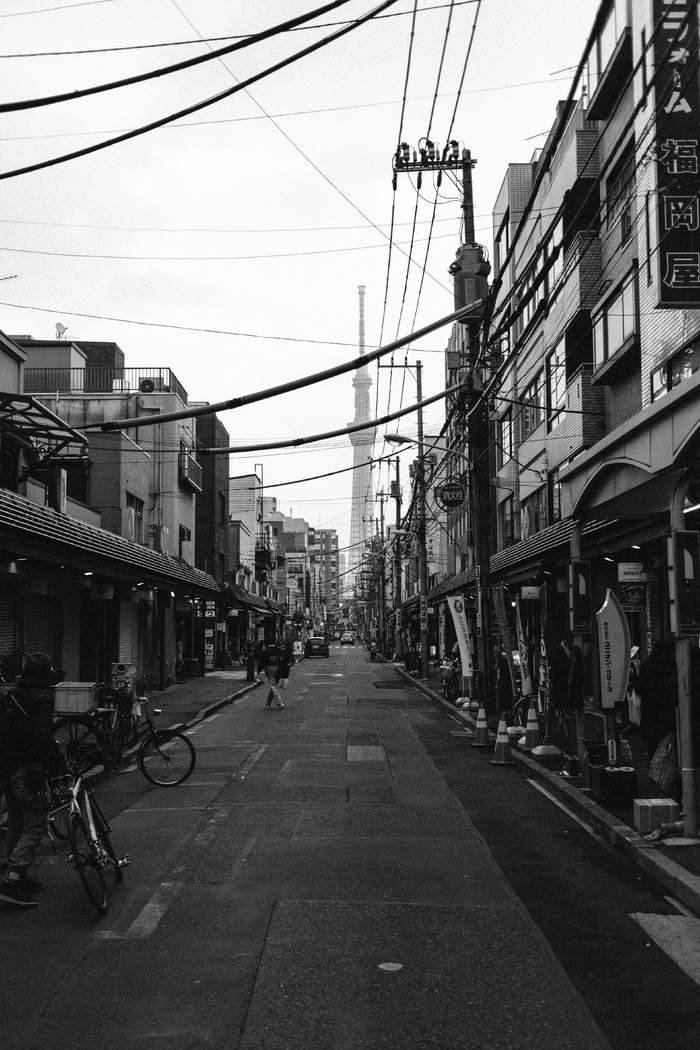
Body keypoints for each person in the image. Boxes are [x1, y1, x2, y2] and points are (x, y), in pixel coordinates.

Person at [0, 652, 66, 908]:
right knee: (36, 824)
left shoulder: (12, 695)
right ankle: (15, 877)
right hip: (29, 771)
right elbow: (42, 736)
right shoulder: (42, 698)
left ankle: (17, 877)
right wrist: (56, 762)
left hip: (7, 769)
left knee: (17, 821)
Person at [257, 640, 285, 710]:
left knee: (273, 686)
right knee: (274, 686)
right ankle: (268, 702)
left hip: (270, 669)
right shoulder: (278, 650)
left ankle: (279, 702)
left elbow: (262, 661)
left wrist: (259, 669)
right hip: (278, 669)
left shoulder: (266, 651)